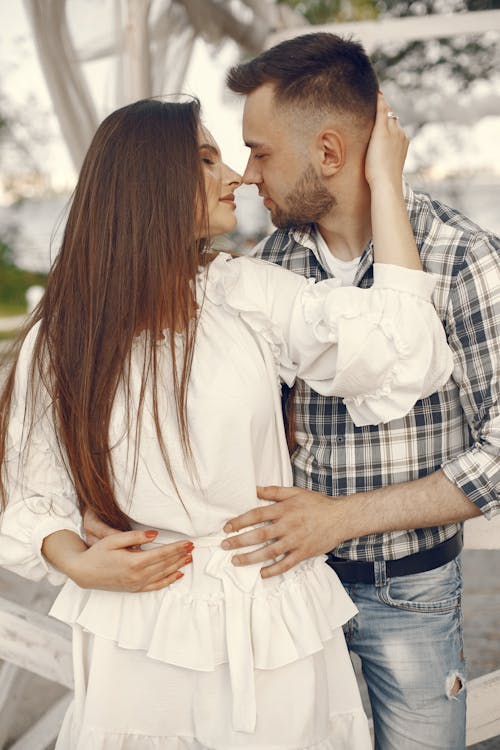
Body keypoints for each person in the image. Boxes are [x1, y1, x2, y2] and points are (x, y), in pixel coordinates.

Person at [0, 96, 453, 750]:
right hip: (140, 628)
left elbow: (400, 349)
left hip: (270, 617)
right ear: (150, 178)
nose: (235, 176)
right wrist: (77, 562)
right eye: (207, 159)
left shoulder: (244, 293)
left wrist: (386, 182)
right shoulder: (65, 335)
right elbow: (31, 488)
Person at [210, 32, 500, 750]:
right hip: (291, 589)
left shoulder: (465, 259)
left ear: (331, 154)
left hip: (416, 596)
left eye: (261, 151)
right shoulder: (265, 269)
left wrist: (340, 518)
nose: (246, 175)